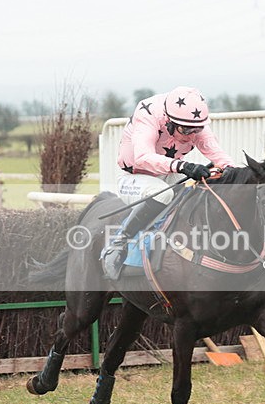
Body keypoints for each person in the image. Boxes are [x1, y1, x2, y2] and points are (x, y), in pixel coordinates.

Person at [101, 86, 236, 279]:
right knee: (164, 194)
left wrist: (235, 172)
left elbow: (219, 155)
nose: (191, 136)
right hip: (134, 176)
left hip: (167, 173)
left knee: (200, 189)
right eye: (186, 130)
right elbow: (142, 157)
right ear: (169, 121)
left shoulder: (194, 122)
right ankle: (118, 244)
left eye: (196, 130)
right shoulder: (148, 114)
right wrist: (183, 166)